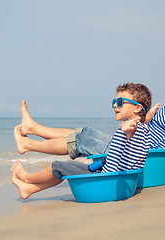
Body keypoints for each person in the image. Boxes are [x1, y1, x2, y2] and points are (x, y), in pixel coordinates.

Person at [14, 61, 165, 176]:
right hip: (133, 142)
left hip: (135, 156)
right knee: (88, 133)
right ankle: (33, 129)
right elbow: (163, 130)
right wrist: (149, 119)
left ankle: (28, 145)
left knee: (84, 141)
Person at [12, 83, 152, 199]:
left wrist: (125, 130)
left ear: (138, 108)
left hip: (107, 181)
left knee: (58, 166)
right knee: (68, 168)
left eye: (120, 102)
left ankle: (27, 178)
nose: (115, 105)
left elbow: (130, 135)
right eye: (114, 102)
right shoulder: (143, 127)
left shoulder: (133, 128)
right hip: (108, 174)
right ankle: (29, 189)